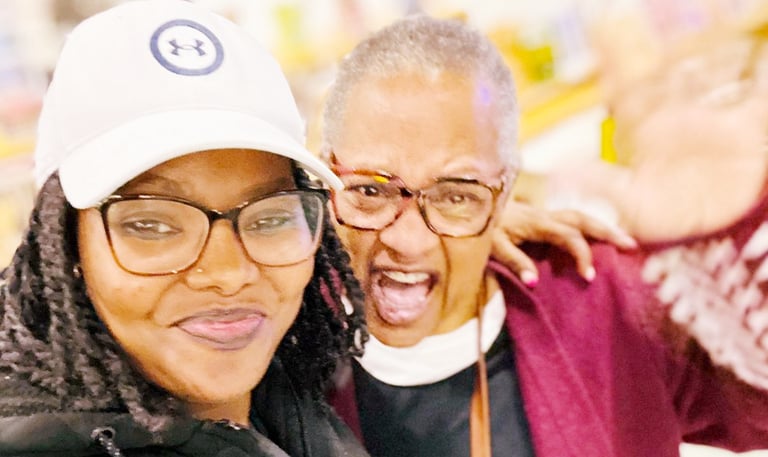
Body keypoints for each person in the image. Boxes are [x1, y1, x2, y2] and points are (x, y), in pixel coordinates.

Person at [321, 14, 768, 457]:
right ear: (325, 177)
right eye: (370, 190)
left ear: (503, 194)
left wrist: (737, 235)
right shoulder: (283, 333)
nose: (408, 240)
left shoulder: (598, 299)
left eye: (456, 196)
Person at [0, 1, 369, 455]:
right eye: (152, 225)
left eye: (269, 218)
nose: (229, 273)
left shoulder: (295, 393)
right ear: (68, 251)